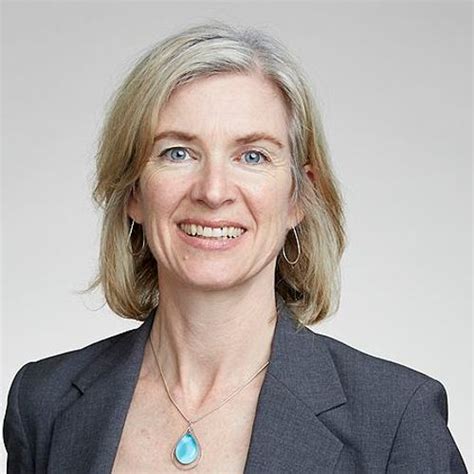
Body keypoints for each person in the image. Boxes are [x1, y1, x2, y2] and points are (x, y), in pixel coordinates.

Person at [3, 21, 467, 474]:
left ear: (298, 197)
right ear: (134, 192)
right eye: (177, 152)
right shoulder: (43, 403)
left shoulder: (396, 420)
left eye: (252, 156)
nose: (213, 191)